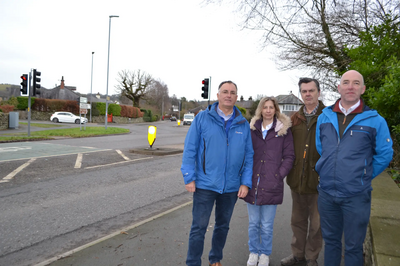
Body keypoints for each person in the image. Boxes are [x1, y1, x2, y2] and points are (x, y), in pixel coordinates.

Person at [315, 70, 393, 266]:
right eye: (346, 82)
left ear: (363, 89)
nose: (351, 86)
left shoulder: (375, 120)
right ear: (339, 87)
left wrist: (364, 175)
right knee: (331, 242)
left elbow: (385, 154)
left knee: (353, 246)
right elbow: (321, 147)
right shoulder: (324, 117)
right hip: (326, 193)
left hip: (356, 195)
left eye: (356, 83)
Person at [181, 81, 254, 266]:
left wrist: (245, 182)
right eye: (225, 92)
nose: (228, 95)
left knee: (222, 226)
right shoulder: (202, 118)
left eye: (232, 92)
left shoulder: (243, 124)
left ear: (236, 97)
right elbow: (190, 148)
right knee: (198, 227)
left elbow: (248, 155)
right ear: (218, 95)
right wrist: (189, 176)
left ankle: (215, 259)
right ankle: (193, 262)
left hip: (231, 187)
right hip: (205, 184)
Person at [244, 97, 295, 266]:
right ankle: (253, 252)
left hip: (272, 184)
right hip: (253, 183)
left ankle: (264, 253)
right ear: (260, 109)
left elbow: (289, 156)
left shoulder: (283, 131)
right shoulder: (252, 129)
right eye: (264, 107)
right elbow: (246, 154)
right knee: (253, 224)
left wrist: (278, 175)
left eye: (271, 107)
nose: (267, 110)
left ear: (275, 110)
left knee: (266, 225)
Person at [281, 78, 325, 266]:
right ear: (301, 94)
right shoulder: (293, 119)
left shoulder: (327, 116)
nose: (308, 94)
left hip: (319, 181)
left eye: (311, 90)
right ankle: (298, 254)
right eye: (304, 91)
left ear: (318, 92)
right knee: (297, 221)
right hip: (297, 179)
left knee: (317, 225)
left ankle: (311, 257)